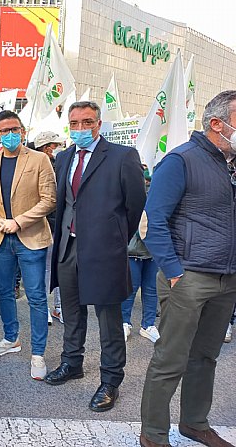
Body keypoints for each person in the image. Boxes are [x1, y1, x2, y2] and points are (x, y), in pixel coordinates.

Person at [139, 91, 236, 447]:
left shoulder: (230, 166)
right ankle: (153, 435)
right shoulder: (181, 160)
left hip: (227, 278)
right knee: (170, 360)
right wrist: (175, 272)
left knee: (206, 357)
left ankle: (194, 422)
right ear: (217, 124)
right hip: (190, 277)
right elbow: (153, 223)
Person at [44, 101, 145, 413]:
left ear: (99, 124)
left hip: (104, 251)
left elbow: (135, 203)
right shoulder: (63, 158)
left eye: (86, 122)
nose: (80, 128)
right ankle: (72, 362)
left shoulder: (121, 156)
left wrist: (114, 237)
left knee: (108, 319)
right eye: (74, 123)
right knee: (71, 313)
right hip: (67, 248)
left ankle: (111, 379)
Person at [0, 110, 56, 380]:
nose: (10, 135)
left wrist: (18, 221)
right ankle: (11, 338)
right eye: (4, 131)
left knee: (35, 295)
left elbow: (49, 199)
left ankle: (38, 353)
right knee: (3, 291)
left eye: (15, 129)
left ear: (22, 131)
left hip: (30, 237)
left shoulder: (40, 159)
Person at [34, 131, 65, 324]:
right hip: (42, 226)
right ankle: (45, 307)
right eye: (54, 146)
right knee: (44, 269)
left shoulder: (60, 166)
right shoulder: (35, 167)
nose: (57, 150)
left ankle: (59, 307)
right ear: (46, 148)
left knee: (60, 268)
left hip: (60, 225)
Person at [121, 210, 160, 343]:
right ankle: (124, 322)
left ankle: (148, 325)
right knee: (130, 288)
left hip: (154, 248)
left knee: (151, 289)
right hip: (133, 247)